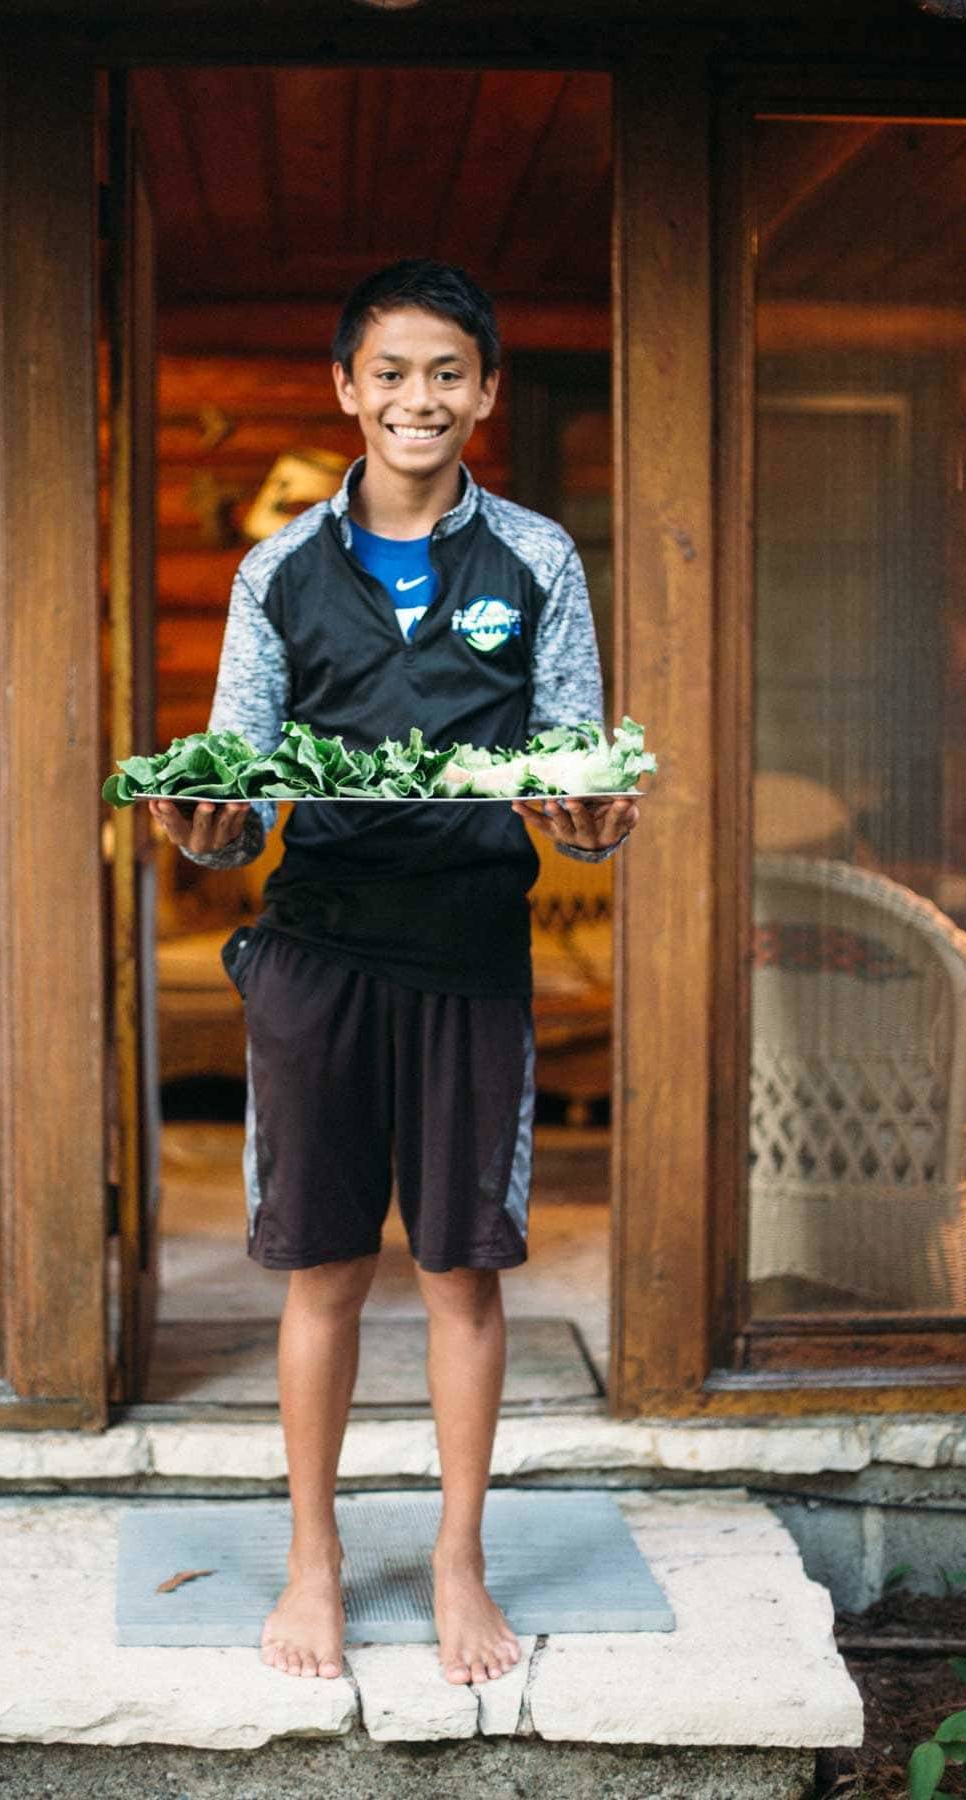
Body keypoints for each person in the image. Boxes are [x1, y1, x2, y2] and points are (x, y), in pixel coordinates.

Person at [149, 259, 640, 1689]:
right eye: (392, 372)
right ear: (347, 390)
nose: (418, 398)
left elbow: (570, 766)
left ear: (483, 393)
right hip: (315, 952)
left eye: (448, 373)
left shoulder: (537, 560)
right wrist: (209, 820)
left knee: (462, 1276)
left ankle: (457, 1558)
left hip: (474, 954)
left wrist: (593, 823)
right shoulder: (277, 569)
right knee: (321, 1271)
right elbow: (238, 771)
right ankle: (315, 1556)